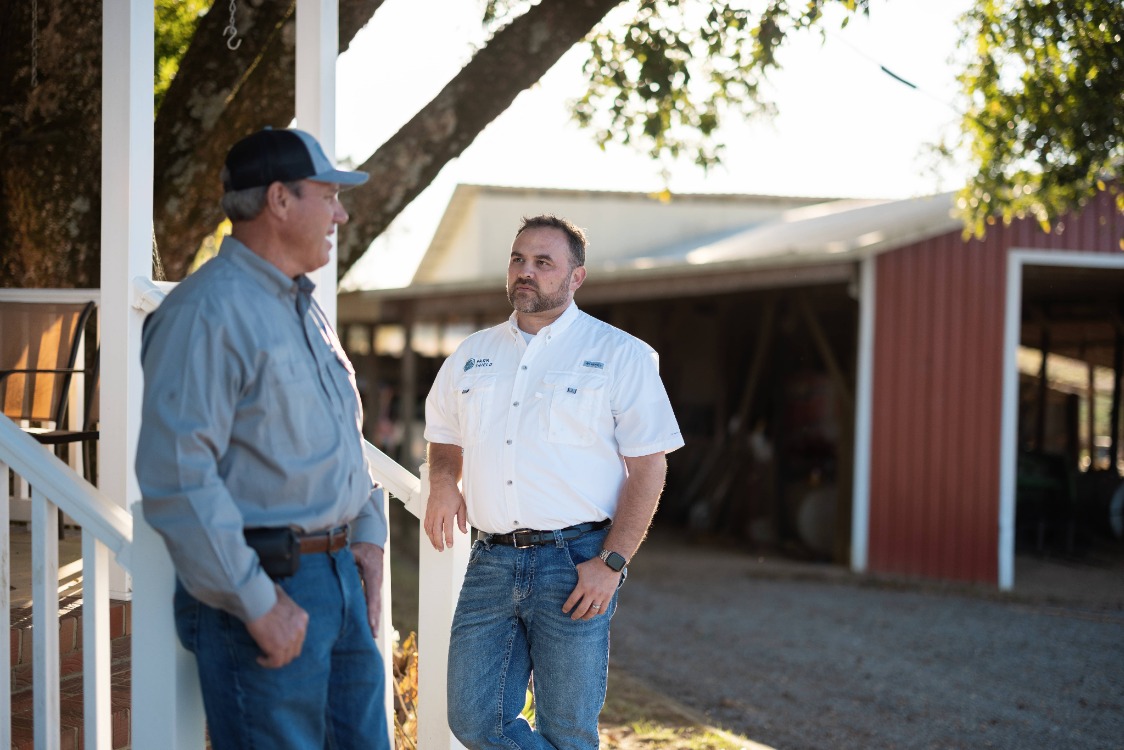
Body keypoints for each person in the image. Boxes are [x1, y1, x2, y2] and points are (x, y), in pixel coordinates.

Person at [136, 127, 390, 749]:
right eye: (328, 195)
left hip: (337, 580)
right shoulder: (206, 313)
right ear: (279, 199)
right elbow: (176, 474)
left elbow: (338, 439)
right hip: (268, 585)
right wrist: (256, 602)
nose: (341, 212)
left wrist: (370, 535)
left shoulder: (304, 308)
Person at [423, 214, 684, 749]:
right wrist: (446, 478)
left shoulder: (621, 355)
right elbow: (444, 433)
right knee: (473, 721)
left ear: (576, 277)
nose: (527, 272)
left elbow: (649, 466)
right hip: (491, 561)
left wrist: (612, 562)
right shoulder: (471, 355)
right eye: (519, 259)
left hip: (577, 562)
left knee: (567, 730)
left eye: (544, 263)